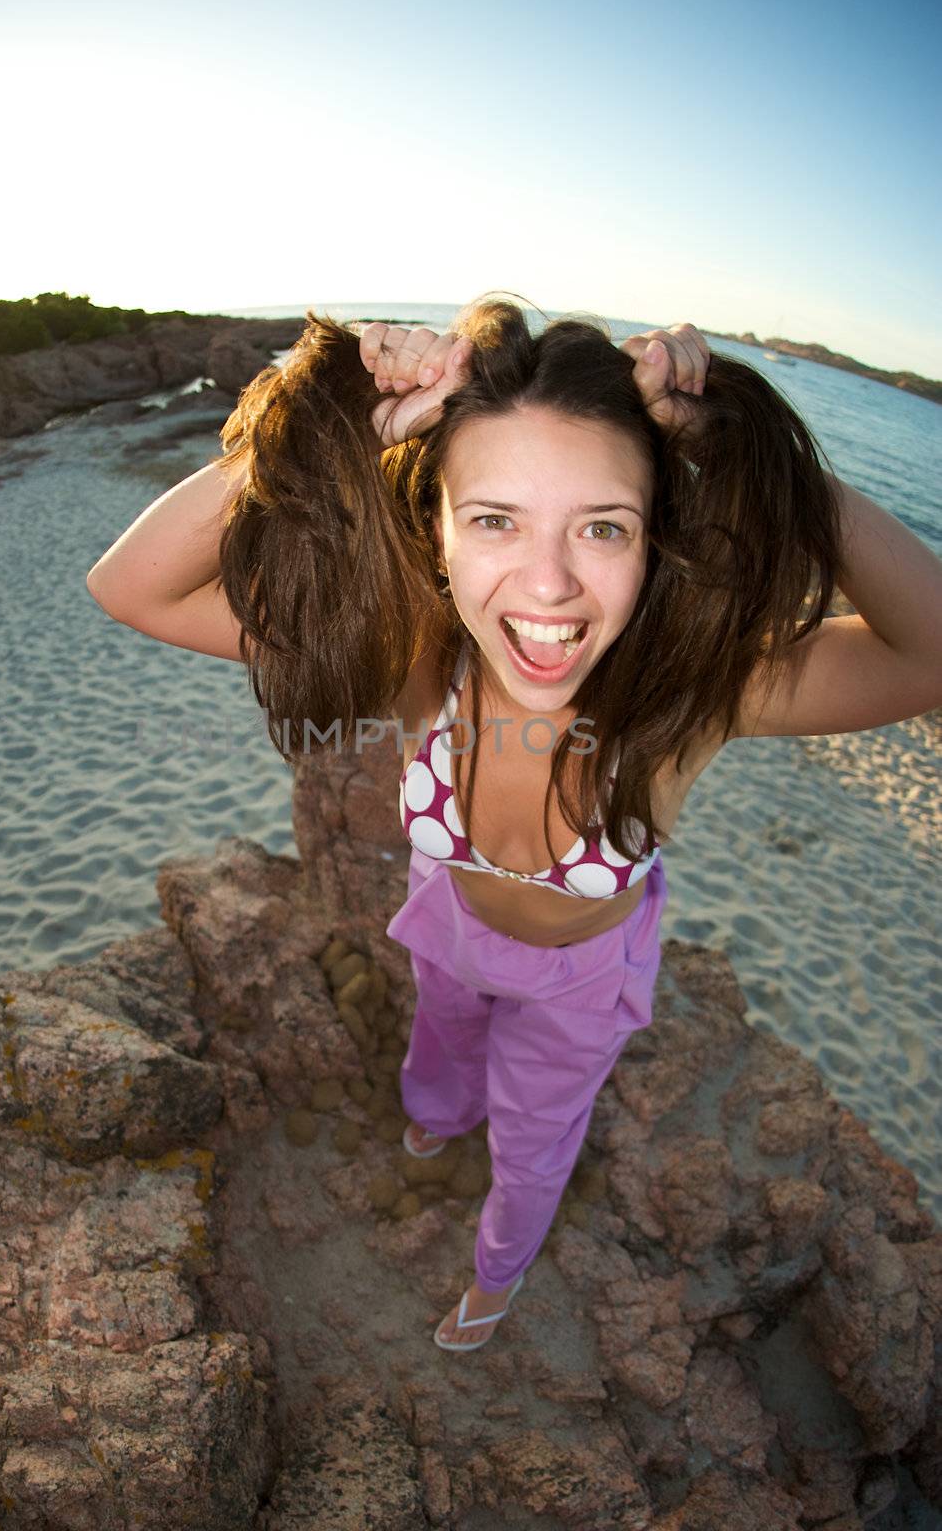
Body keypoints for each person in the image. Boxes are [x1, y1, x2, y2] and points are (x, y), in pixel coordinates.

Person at [86, 298, 942, 1352]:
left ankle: (497, 1274)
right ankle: (437, 1118)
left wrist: (764, 460)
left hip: (580, 977)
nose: (549, 586)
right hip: (448, 924)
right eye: (494, 517)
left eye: (602, 527)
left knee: (535, 1144)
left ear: (652, 535)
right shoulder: (413, 654)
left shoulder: (687, 695)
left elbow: (926, 652)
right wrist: (344, 415)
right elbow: (131, 586)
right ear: (437, 531)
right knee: (439, 1043)